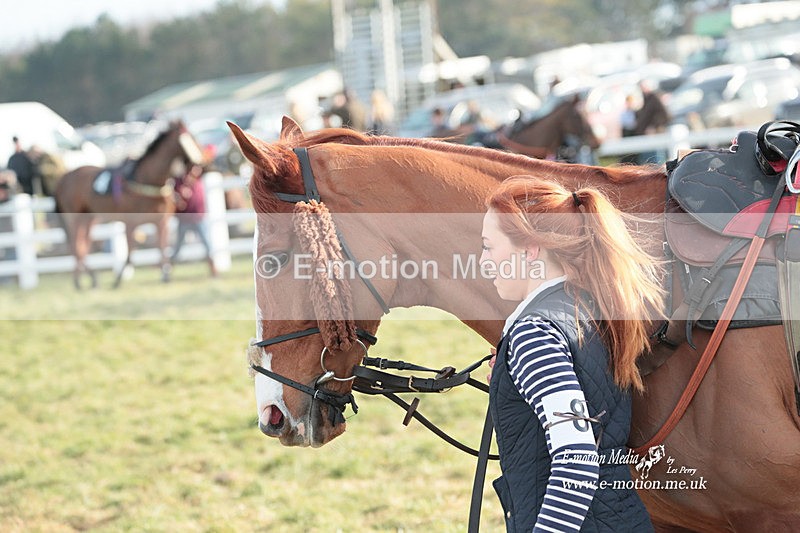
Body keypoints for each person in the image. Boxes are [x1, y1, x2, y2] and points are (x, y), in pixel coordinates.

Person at [481, 177, 664, 532]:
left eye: (489, 247)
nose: (483, 262)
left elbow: (576, 462)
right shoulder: (589, 307)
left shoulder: (534, 333)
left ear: (529, 250)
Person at [171, 164, 217, 277]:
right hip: (184, 220)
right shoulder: (178, 182)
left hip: (199, 218)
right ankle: (168, 271)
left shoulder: (198, 180)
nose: (197, 171)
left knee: (208, 245)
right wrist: (179, 198)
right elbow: (173, 197)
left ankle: (214, 270)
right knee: (177, 248)